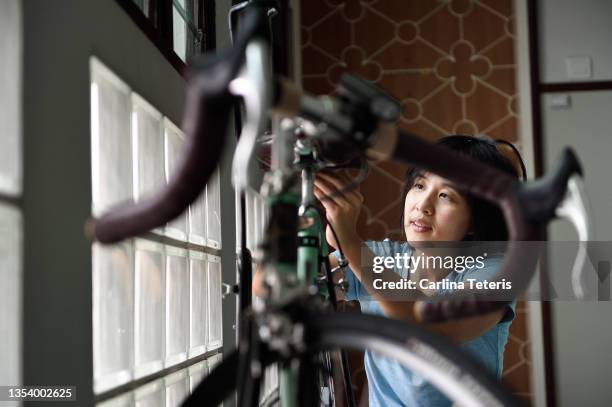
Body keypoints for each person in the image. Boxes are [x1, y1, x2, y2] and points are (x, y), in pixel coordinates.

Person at [312, 135, 520, 406]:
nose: (422, 205)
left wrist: (350, 243)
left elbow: (430, 329)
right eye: (419, 185)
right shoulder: (378, 259)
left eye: (445, 195)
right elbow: (265, 284)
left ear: (475, 219)